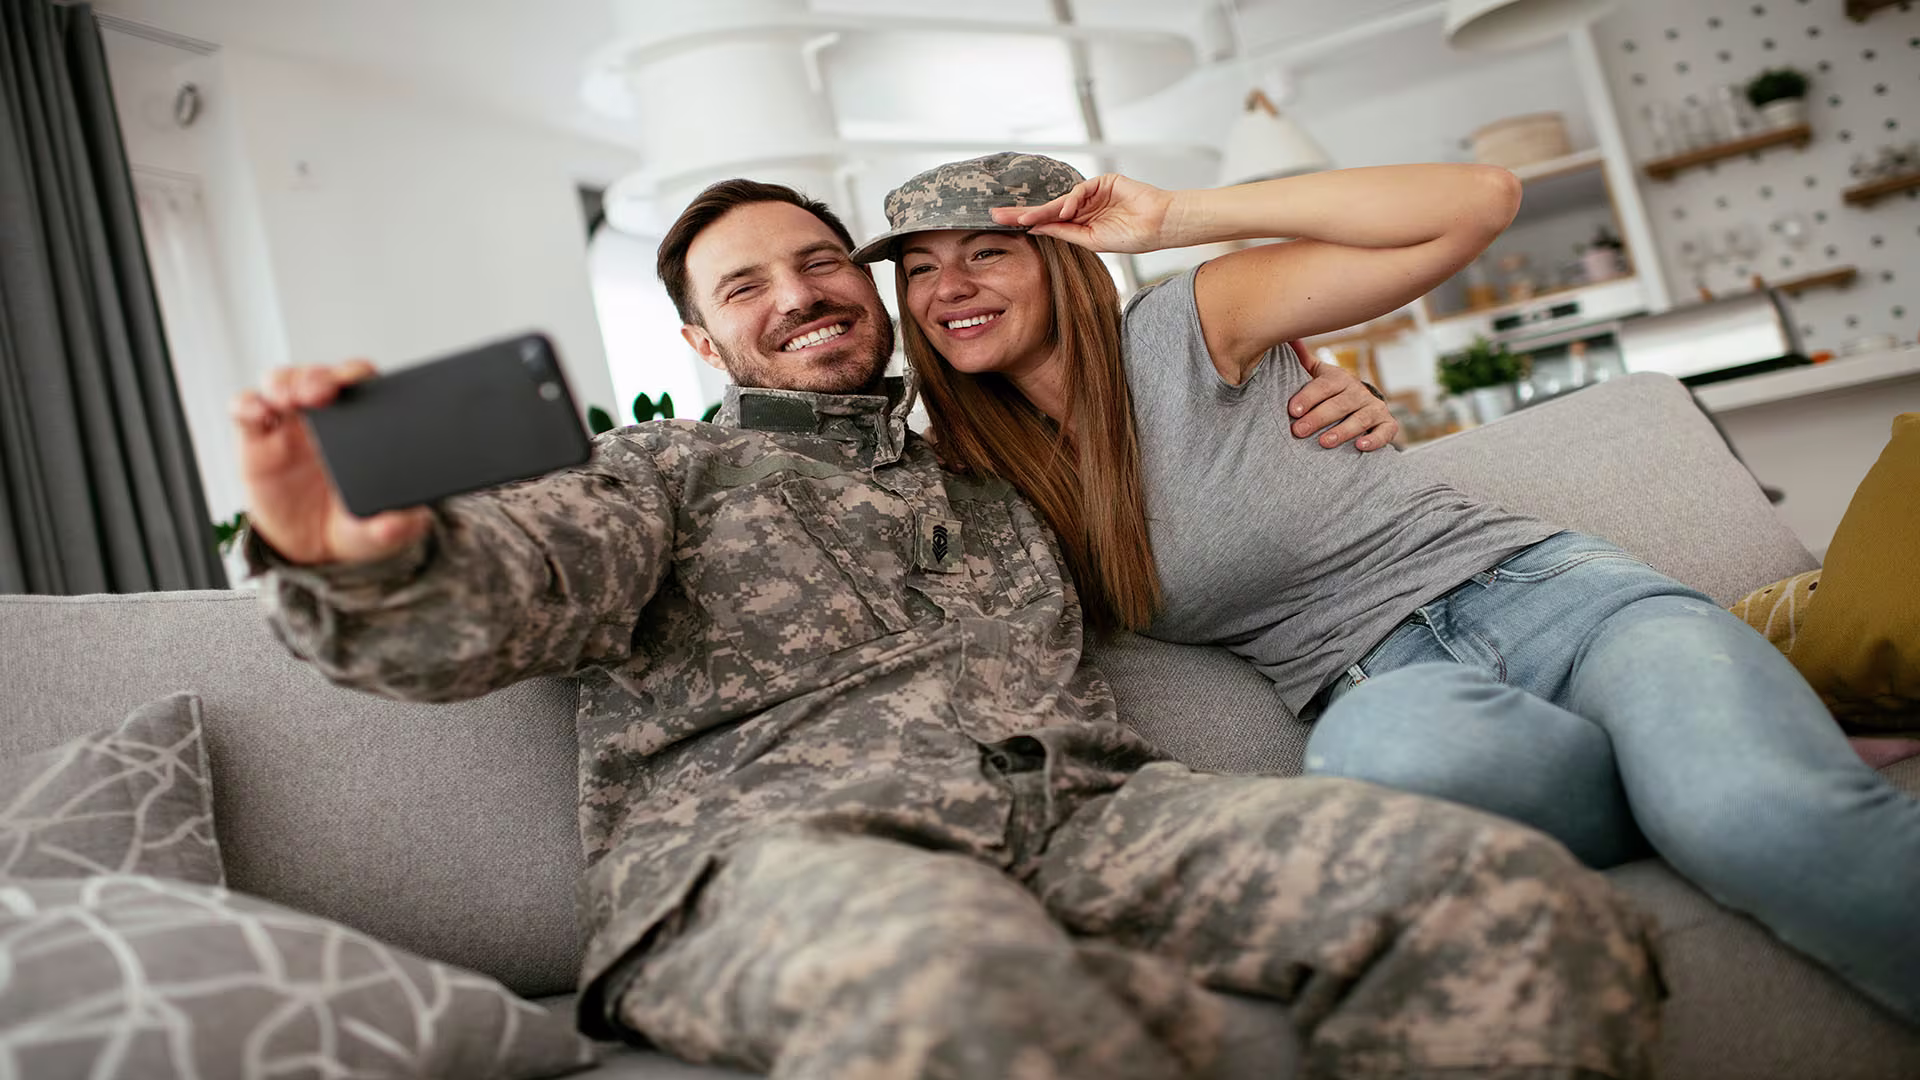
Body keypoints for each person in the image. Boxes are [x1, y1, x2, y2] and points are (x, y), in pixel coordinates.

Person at [231, 177, 1664, 1080]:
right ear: (700, 344)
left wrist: (1349, 414)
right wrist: (363, 556)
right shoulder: (658, 474)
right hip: (789, 859)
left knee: (1499, 889)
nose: (798, 295)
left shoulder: (1000, 487)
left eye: (823, 263)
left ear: (879, 292)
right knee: (957, 991)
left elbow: (1212, 504)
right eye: (747, 287)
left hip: (1091, 825)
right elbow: (505, 592)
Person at [861, 151, 1920, 1027]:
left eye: (987, 252)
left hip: (1556, 599)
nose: (948, 287)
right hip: (1383, 686)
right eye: (918, 270)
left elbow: (1477, 203)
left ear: (1061, 257)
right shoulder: (975, 478)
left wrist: (1179, 216)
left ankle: (1726, 774)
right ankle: (1703, 760)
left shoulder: (1188, 324)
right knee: (1383, 761)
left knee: (1754, 817)